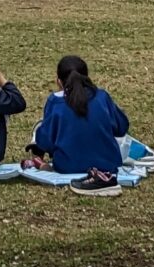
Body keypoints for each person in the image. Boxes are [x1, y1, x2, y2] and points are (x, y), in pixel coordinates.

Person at [24, 54, 130, 193]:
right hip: (108, 164)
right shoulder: (102, 97)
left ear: (59, 81)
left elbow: (45, 141)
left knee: (41, 127)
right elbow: (121, 127)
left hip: (67, 166)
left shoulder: (55, 102)